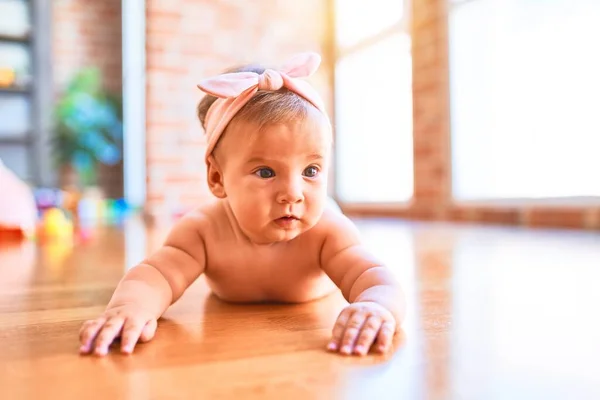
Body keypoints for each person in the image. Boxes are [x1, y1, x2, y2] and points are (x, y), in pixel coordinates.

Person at [79, 52, 406, 357]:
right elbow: (157, 274)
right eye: (266, 172)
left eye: (311, 171)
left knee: (332, 214)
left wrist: (376, 306)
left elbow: (375, 277)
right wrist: (132, 307)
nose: (292, 193)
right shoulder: (203, 230)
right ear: (218, 178)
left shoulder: (327, 231)